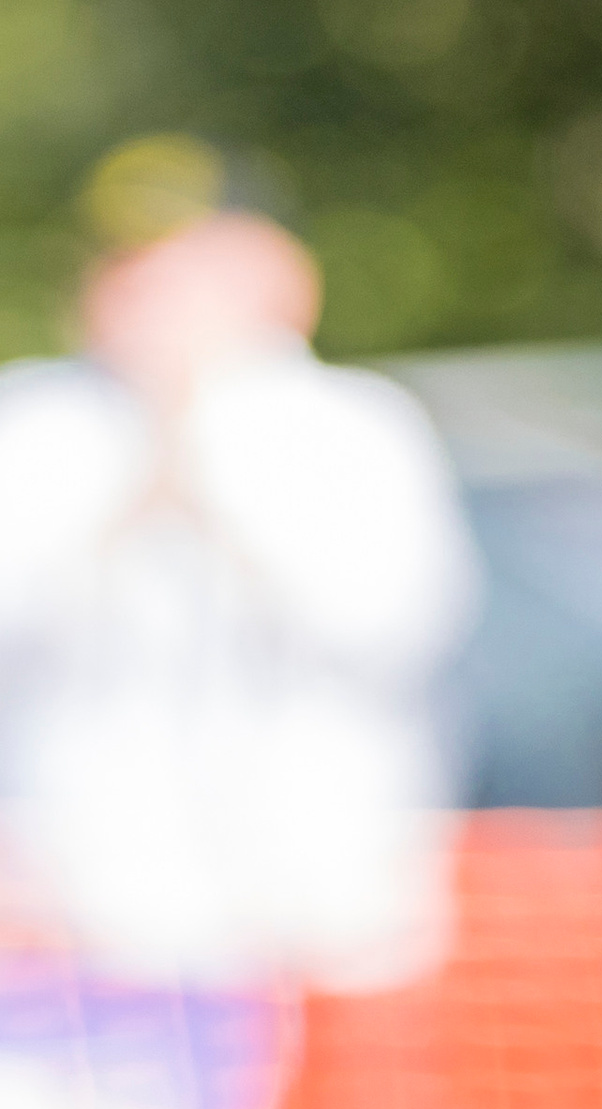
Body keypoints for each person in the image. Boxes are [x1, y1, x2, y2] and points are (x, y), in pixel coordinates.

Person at [0, 163, 477, 991]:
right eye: (125, 270)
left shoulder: (352, 426)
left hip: (321, 899)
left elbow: (395, 630)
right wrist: (130, 497)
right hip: (83, 912)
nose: (145, 298)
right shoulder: (35, 423)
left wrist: (212, 494)